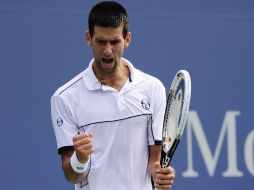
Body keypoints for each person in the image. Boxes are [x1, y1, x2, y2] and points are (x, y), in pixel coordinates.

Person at [51, 1, 175, 190]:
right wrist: (80, 158)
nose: (108, 50)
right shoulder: (65, 98)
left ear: (127, 39)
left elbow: (153, 162)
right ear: (88, 38)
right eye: (101, 41)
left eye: (115, 41)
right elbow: (71, 175)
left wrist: (159, 175)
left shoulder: (152, 88)